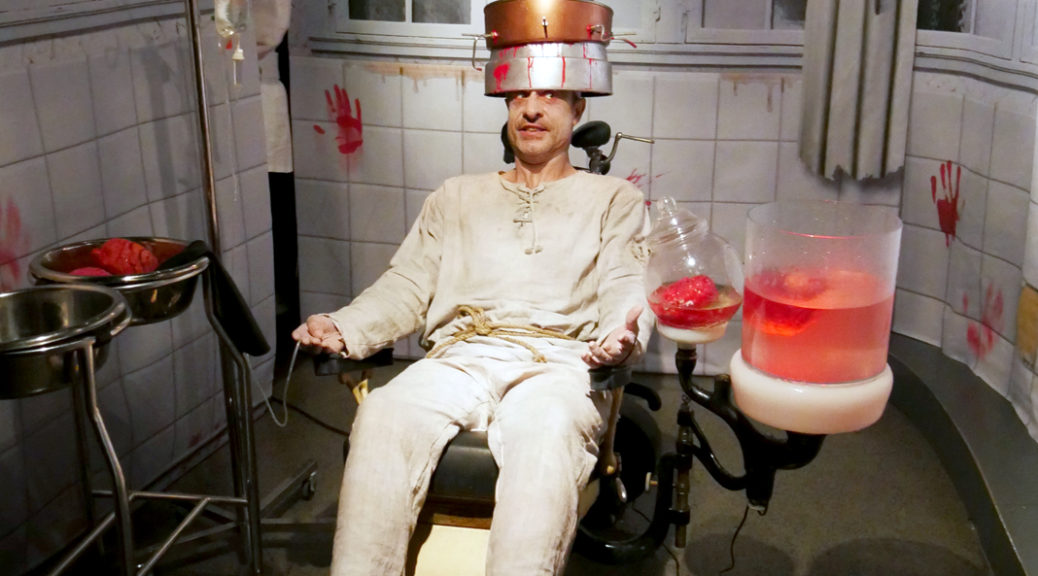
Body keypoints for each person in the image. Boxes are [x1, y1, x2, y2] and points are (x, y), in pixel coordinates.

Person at [292, 88, 653, 576]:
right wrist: (345, 325)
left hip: (559, 362)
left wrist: (619, 336)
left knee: (545, 432)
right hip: (461, 354)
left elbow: (625, 282)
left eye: (549, 97)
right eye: (519, 96)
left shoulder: (613, 199)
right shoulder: (456, 196)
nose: (531, 109)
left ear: (578, 110)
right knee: (382, 414)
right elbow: (407, 284)